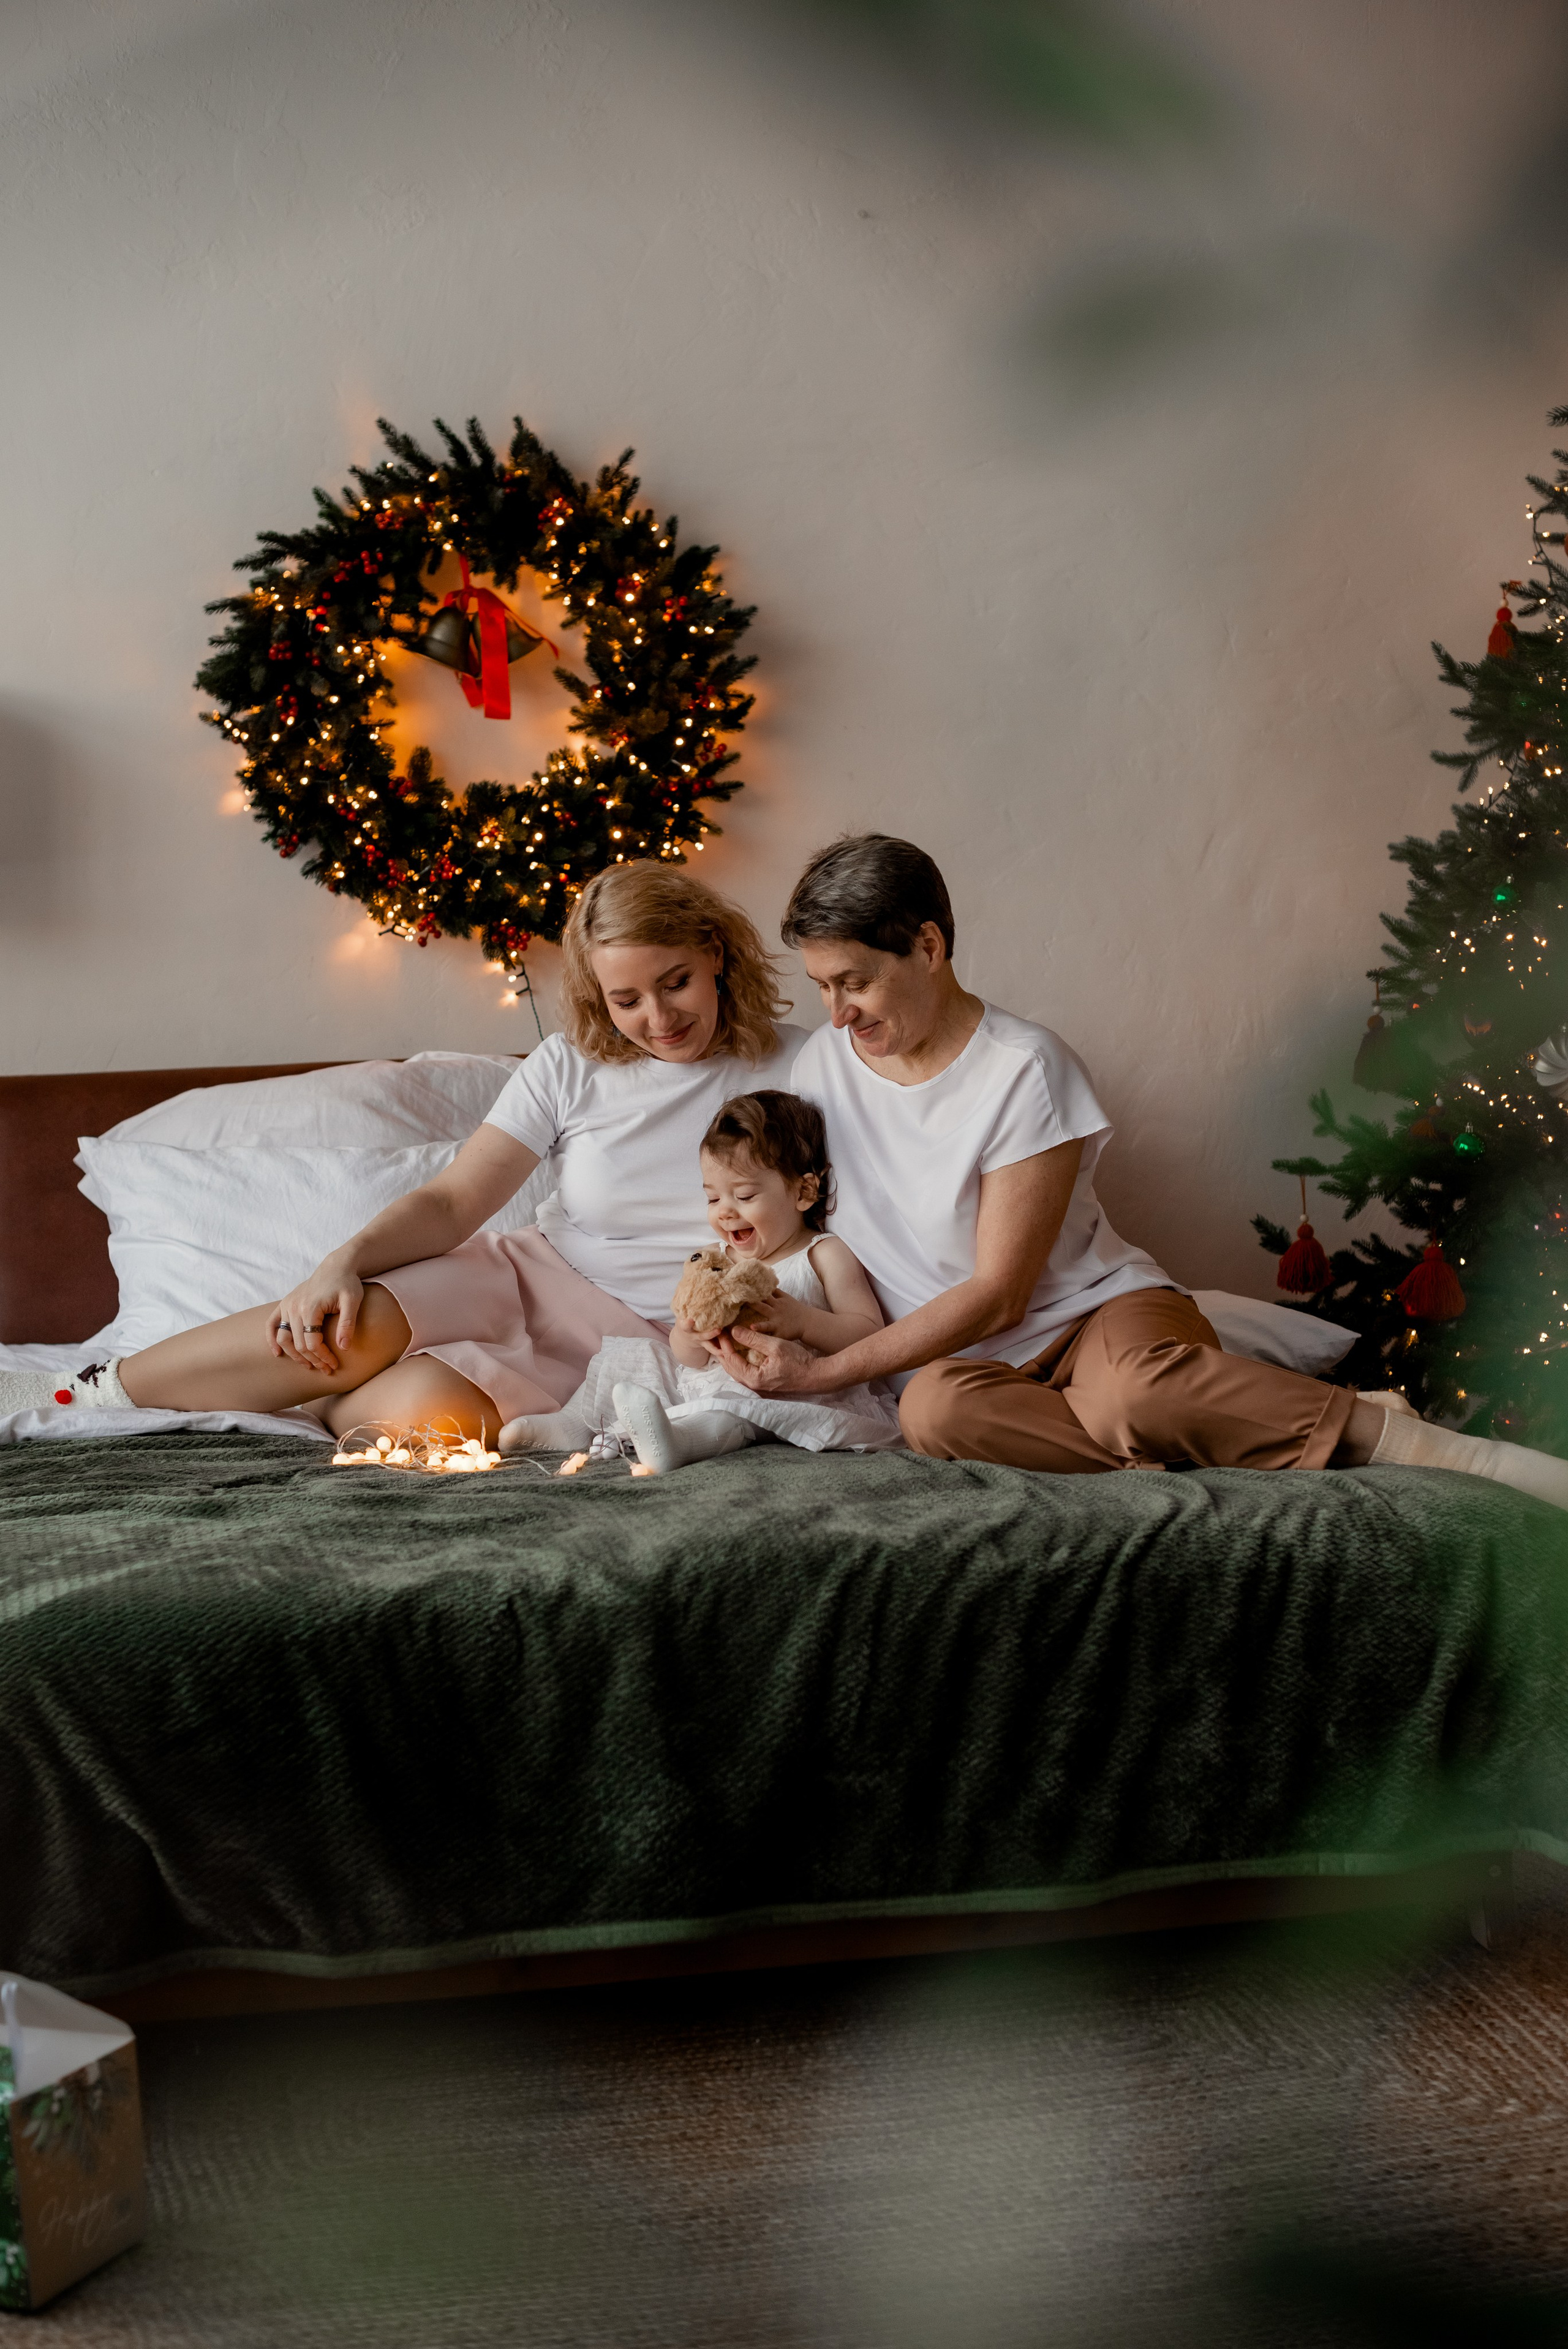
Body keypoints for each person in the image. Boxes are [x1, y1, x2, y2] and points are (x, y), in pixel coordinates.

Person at [707, 832, 1568, 1511]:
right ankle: (1240, 1421)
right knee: (933, 1413)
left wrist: (822, 1373)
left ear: (928, 944)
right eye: (822, 986)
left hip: (1096, 1316)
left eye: (854, 981)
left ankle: (1428, 1445)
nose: (836, 1011)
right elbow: (765, 1190)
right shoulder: (821, 1066)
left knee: (1134, 1392)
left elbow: (1003, 1294)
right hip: (971, 1371)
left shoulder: (1024, 1068)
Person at [6, 865, 804, 1441]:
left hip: (646, 1336)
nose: (658, 1017)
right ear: (598, 992)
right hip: (530, 1272)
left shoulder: (802, 1062)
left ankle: (309, 1405)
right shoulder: (571, 1063)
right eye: (626, 999)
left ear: (716, 952)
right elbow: (456, 1201)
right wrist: (341, 1260)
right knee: (345, 1323)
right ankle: (83, 1388)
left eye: (676, 983)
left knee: (426, 1426)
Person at [499, 1088, 901, 1471]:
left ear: (804, 1191)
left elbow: (871, 1334)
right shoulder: (714, 1260)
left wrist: (805, 1321)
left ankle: (678, 1442)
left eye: (744, 1196)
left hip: (796, 1389)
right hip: (709, 1379)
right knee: (637, 1356)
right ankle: (576, 1423)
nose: (725, 1211)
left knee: (730, 1411)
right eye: (713, 1197)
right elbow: (687, 1358)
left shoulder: (823, 1254)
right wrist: (690, 1335)